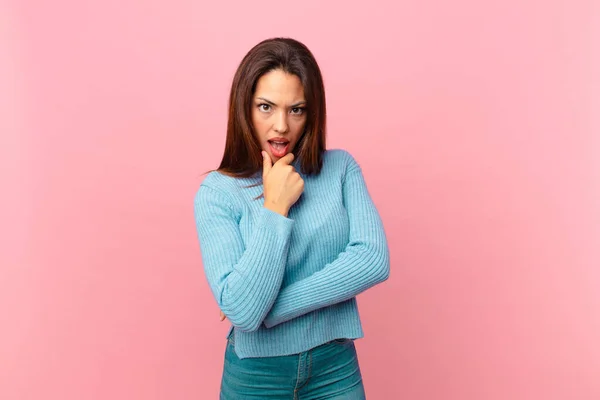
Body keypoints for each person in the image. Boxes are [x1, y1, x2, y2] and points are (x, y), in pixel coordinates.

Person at [193, 37, 390, 399]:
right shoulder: (218, 192)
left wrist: (271, 308)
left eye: (296, 109)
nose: (281, 126)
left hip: (335, 369)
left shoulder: (340, 168)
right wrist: (275, 206)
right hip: (255, 378)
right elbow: (241, 310)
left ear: (311, 113)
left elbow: (373, 260)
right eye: (265, 107)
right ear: (244, 108)